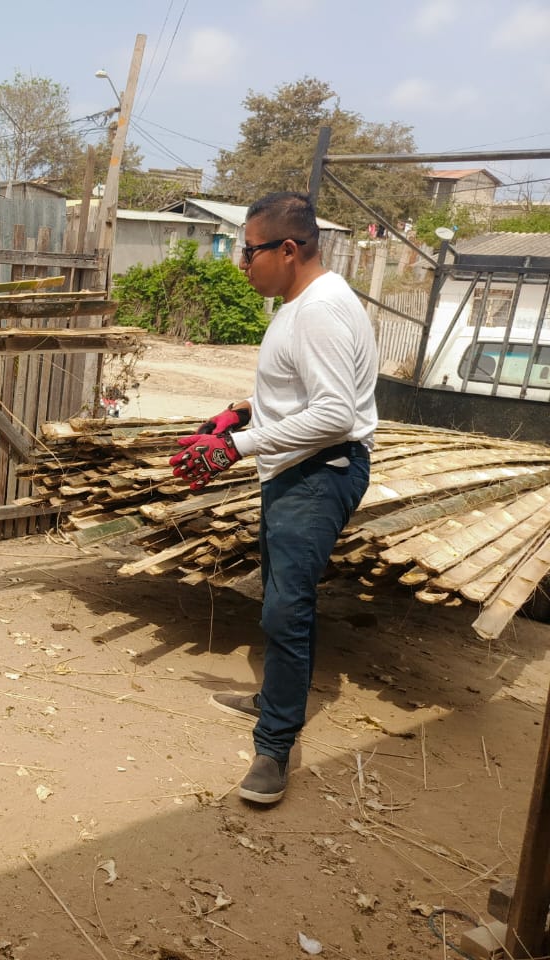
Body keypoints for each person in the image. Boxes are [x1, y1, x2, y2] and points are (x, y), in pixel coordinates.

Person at [169, 191, 378, 804]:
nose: (242, 264)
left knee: (287, 611)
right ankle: (274, 699)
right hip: (295, 470)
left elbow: (336, 414)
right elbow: (298, 392)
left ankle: (275, 746)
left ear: (288, 249)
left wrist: (236, 447)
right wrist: (239, 413)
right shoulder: (300, 303)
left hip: (318, 474)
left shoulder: (319, 311)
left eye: (249, 251)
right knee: (279, 598)